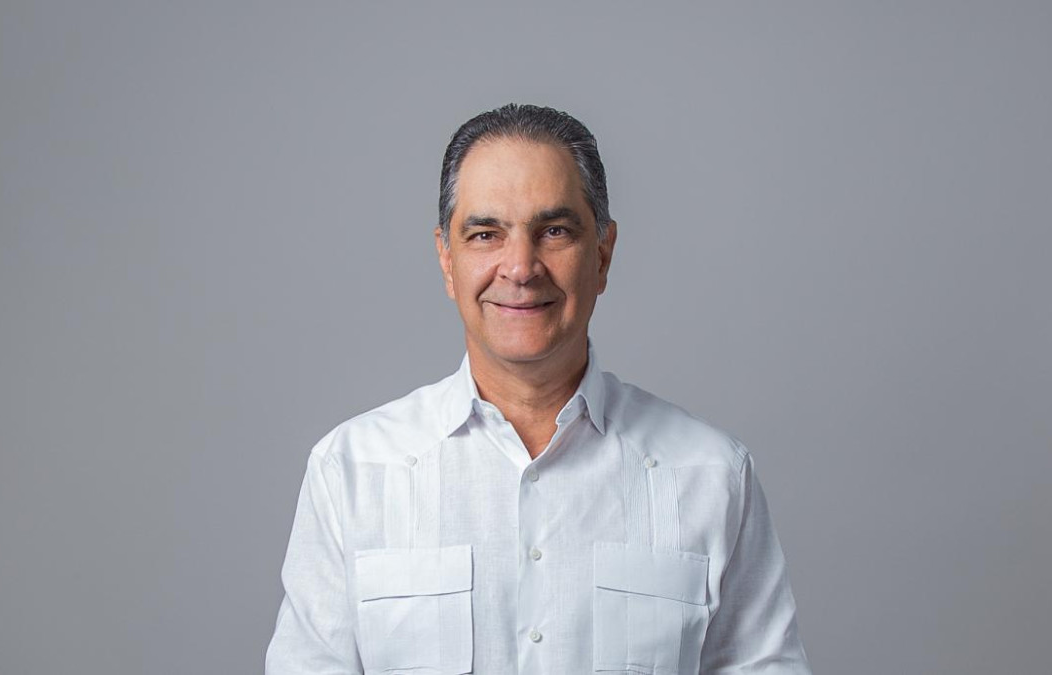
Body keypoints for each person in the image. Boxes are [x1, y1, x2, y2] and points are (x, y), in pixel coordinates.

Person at [265, 103, 813, 674]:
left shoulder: (711, 475)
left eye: (554, 231)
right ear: (447, 260)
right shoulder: (351, 472)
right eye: (485, 234)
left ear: (602, 254)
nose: (521, 267)